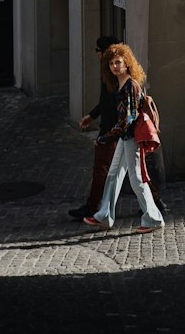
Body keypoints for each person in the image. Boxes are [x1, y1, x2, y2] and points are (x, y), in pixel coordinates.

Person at [69, 38, 165, 221]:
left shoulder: (129, 85)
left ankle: (153, 218)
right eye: (112, 63)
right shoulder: (119, 85)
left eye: (118, 62)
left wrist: (105, 137)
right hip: (123, 136)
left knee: (136, 179)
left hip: (129, 136)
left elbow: (128, 119)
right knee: (113, 175)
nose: (114, 66)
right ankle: (104, 215)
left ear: (127, 62)